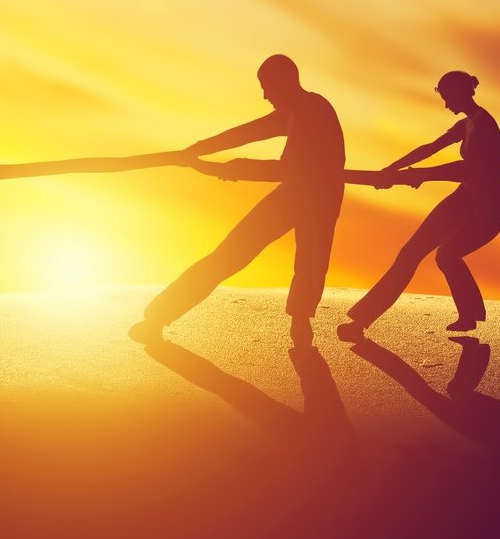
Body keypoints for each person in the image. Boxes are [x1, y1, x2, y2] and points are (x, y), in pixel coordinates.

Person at [131, 54, 344, 345]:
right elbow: (246, 133)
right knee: (231, 253)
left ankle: (300, 326)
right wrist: (197, 150)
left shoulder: (313, 111)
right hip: (295, 193)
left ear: (286, 82)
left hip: (320, 199)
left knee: (310, 263)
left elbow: (289, 169)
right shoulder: (293, 112)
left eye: (268, 87)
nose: (265, 96)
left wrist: (234, 168)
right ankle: (159, 315)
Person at [339, 70, 500, 338]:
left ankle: (470, 313)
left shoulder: (485, 125)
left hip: (488, 208)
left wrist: (423, 174)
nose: (446, 103)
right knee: (410, 253)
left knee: (446, 255)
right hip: (465, 199)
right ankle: (361, 321)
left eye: (447, 96)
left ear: (462, 93)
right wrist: (393, 170)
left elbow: (467, 169)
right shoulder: (466, 125)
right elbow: (430, 147)